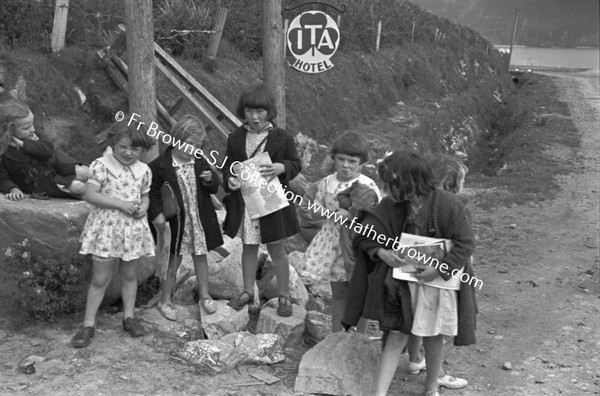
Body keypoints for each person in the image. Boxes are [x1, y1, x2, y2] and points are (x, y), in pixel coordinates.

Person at [344, 151, 477, 396]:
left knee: (433, 337)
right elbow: (365, 234)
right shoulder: (392, 205)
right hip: (402, 287)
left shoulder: (448, 204)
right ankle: (379, 394)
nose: (388, 189)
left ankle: (431, 387)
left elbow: (466, 242)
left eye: (393, 183)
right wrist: (381, 252)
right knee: (396, 336)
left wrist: (439, 267)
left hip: (437, 285)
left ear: (412, 180)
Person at [72, 119, 155, 348]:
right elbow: (91, 195)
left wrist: (144, 207)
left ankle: (129, 317)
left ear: (142, 149)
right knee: (101, 278)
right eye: (123, 147)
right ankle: (88, 324)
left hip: (131, 229)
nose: (128, 153)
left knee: (129, 275)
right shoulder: (101, 165)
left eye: (135, 149)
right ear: (114, 144)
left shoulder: (144, 170)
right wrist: (120, 204)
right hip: (107, 229)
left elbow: (145, 196)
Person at [222, 84, 301, 317]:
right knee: (249, 246)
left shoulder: (281, 137)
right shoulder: (236, 138)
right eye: (249, 112)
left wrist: (281, 167)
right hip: (247, 202)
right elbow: (228, 167)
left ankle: (284, 295)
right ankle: (247, 292)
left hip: (272, 200)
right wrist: (230, 180)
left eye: (260, 112)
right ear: (242, 111)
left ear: (269, 112)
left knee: (277, 248)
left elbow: (295, 164)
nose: (254, 117)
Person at [301, 131, 381, 332]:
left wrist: (352, 215)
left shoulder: (367, 186)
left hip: (356, 244)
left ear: (362, 162)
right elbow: (312, 208)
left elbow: (376, 217)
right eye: (341, 159)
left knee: (361, 290)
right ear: (334, 159)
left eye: (352, 161)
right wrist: (322, 212)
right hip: (332, 242)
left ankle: (358, 337)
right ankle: (337, 335)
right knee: (338, 291)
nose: (345, 165)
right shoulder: (327, 183)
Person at [403, 153, 471, 389]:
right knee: (430, 326)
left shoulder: (440, 204)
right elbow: (466, 243)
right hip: (431, 278)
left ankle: (415, 360)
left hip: (419, 273)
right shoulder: (451, 204)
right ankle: (433, 375)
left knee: (418, 321)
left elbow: (465, 241)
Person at [148, 115, 223, 321]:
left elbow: (214, 187)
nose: (193, 149)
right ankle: (165, 300)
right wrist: (157, 214)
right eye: (190, 144)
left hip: (198, 220)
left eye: (197, 146)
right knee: (172, 260)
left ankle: (205, 296)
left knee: (201, 256)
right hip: (176, 223)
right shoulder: (159, 166)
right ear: (176, 138)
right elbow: (151, 193)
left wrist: (210, 180)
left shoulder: (199, 161)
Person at [0, 99, 88, 200]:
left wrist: (23, 144)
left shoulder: (32, 136)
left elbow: (48, 150)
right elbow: (2, 179)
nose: (33, 129)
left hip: (57, 166)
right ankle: (71, 186)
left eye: (32, 124)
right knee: (78, 188)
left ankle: (81, 179)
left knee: (85, 173)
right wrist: (13, 189)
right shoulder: (3, 153)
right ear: (9, 130)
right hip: (46, 182)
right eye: (26, 128)